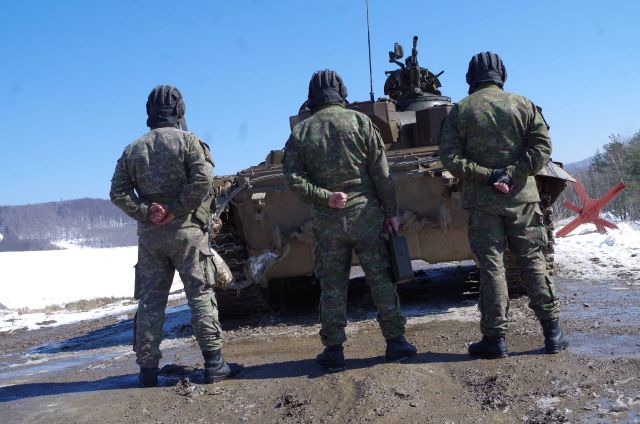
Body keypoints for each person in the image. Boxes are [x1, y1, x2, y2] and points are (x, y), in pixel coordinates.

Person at [283, 70, 417, 371]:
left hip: (328, 221)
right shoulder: (361, 122)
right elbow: (382, 173)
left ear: (312, 97)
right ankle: (396, 342)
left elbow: (293, 178)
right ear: (341, 92)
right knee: (380, 278)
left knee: (332, 285)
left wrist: (324, 196)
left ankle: (334, 351)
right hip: (365, 215)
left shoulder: (302, 132)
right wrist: (391, 212)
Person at [110, 85, 242, 387]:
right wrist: (176, 209)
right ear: (179, 111)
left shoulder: (133, 150)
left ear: (150, 113)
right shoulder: (190, 143)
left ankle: (147, 372)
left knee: (151, 302)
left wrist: (148, 211)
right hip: (187, 233)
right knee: (200, 294)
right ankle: (214, 364)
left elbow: (117, 192)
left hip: (151, 238)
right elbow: (203, 180)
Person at [439, 52, 569, 358]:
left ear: (470, 78)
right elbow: (542, 147)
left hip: (482, 202)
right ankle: (553, 334)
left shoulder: (461, 111)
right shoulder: (523, 104)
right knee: (533, 261)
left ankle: (494, 340)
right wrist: (512, 173)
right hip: (522, 198)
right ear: (502, 75)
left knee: (491, 267)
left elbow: (450, 158)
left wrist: (488, 176)